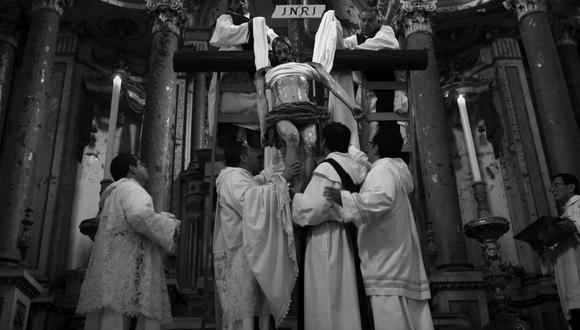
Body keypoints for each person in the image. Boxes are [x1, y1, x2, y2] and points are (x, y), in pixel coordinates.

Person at [324, 129, 433, 330]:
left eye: (371, 145)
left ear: (375, 147)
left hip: (385, 260)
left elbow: (381, 198)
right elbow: (366, 163)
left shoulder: (381, 171)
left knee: (390, 318)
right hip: (397, 256)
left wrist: (344, 198)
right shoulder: (395, 169)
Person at [77, 154, 181, 330]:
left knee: (110, 318)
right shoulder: (132, 188)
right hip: (127, 268)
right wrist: (169, 224)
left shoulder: (113, 193)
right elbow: (140, 215)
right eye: (141, 164)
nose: (146, 168)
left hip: (114, 267)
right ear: (132, 168)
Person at [254, 37, 364, 188]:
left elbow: (331, 84)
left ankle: (305, 189)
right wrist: (263, 128)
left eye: (285, 51)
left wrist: (352, 105)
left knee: (311, 145)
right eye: (278, 53)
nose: (282, 56)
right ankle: (290, 188)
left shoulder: (309, 66)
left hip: (306, 110)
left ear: (291, 50)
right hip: (283, 112)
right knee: (292, 138)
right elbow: (261, 99)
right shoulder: (266, 72)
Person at [213, 142, 301, 330]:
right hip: (242, 259)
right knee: (248, 315)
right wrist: (281, 180)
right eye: (253, 151)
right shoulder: (232, 179)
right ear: (244, 157)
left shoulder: (240, 177)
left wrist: (277, 168)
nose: (258, 154)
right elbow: (250, 202)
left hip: (247, 256)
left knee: (256, 313)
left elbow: (257, 184)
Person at [292, 122, 369, 330]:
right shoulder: (358, 168)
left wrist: (296, 199)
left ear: (324, 142)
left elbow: (315, 208)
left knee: (326, 299)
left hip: (325, 238)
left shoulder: (327, 168)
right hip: (348, 237)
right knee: (345, 297)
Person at [208, 0, 278, 139]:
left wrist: (263, 34)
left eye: (244, 0)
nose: (241, 3)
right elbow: (223, 33)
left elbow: (273, 39)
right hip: (231, 74)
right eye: (236, 0)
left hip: (254, 79)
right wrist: (250, 28)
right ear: (230, 5)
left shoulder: (259, 23)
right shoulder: (226, 18)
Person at [536, 173, 580, 328]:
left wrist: (575, 227)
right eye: (551, 186)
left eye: (556, 185)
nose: (551, 189)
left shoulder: (579, 204)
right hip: (567, 276)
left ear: (571, 187)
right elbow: (558, 253)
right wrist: (542, 247)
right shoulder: (564, 215)